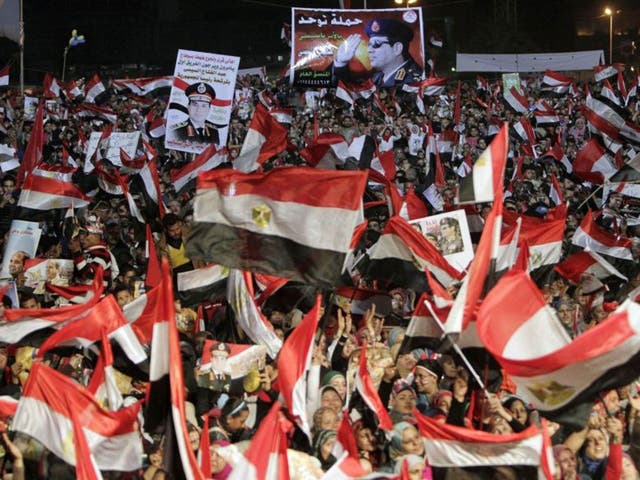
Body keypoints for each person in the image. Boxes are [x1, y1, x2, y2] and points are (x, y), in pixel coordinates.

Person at [333, 18, 423, 88]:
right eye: (369, 45)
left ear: (397, 48)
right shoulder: (377, 76)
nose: (369, 50)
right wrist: (341, 63)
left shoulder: (415, 81)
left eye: (376, 44)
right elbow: (354, 89)